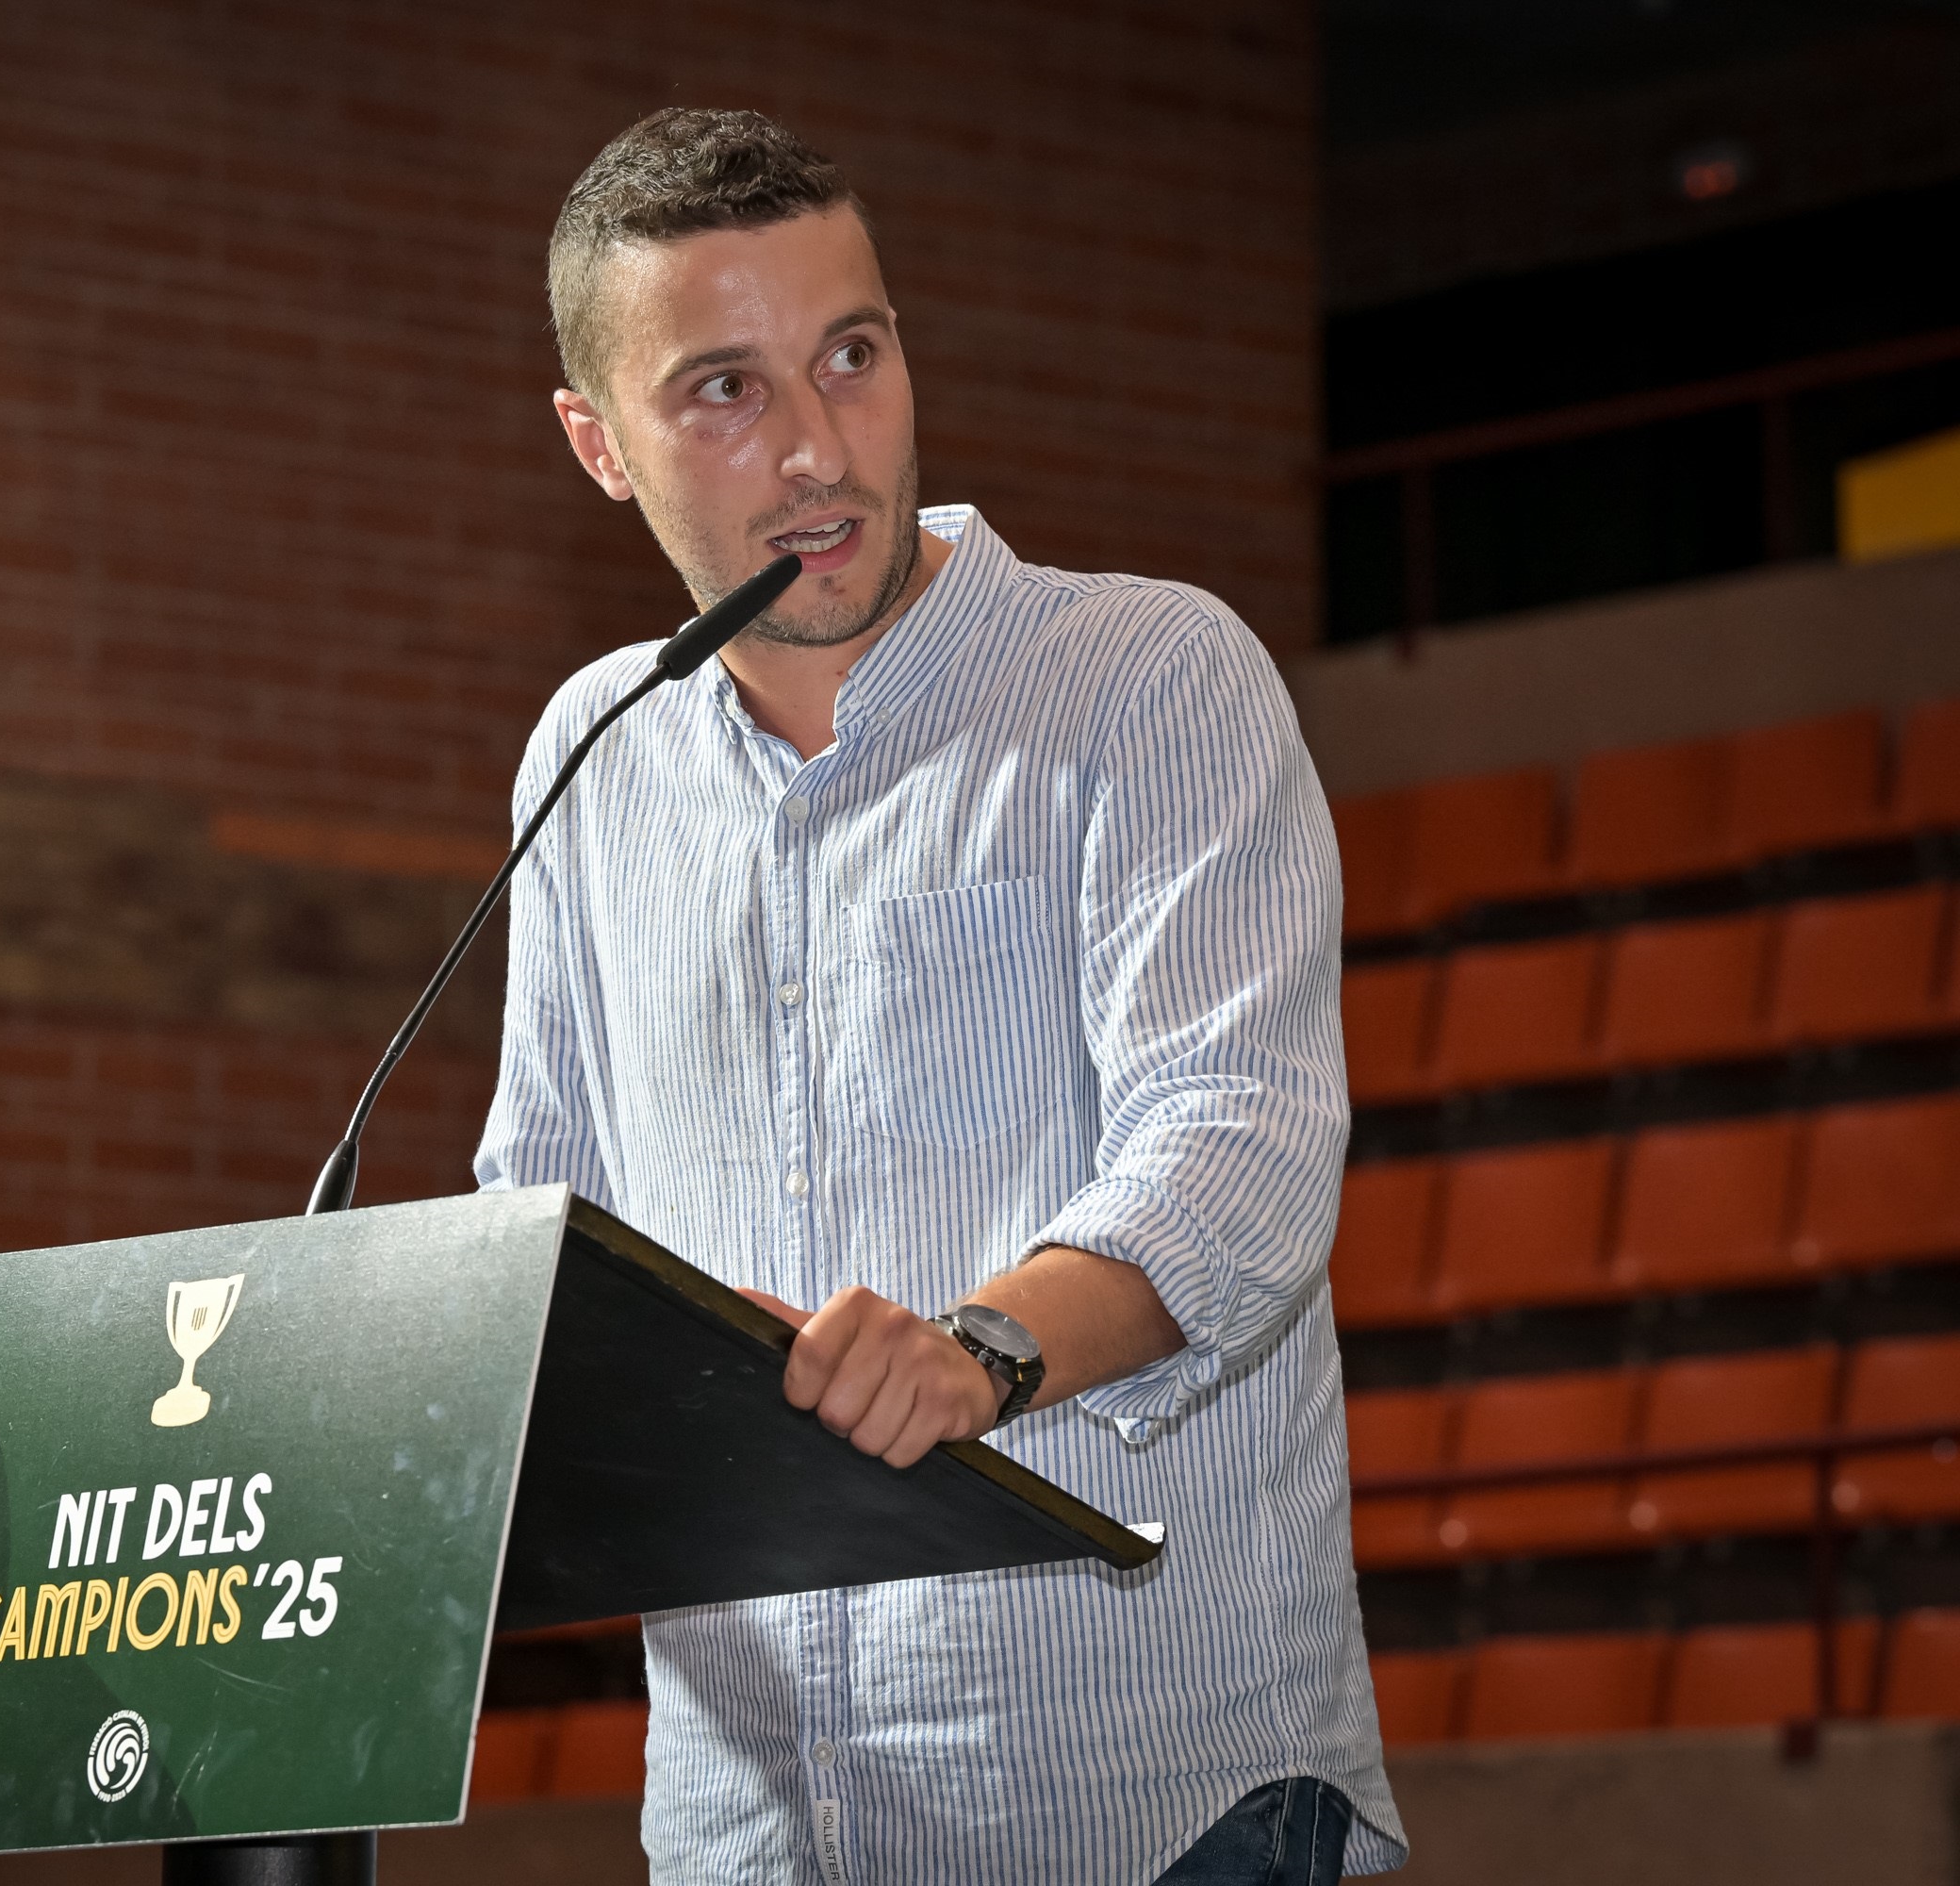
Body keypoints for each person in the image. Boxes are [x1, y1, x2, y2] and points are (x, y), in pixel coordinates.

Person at [471, 109, 1403, 1884]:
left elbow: (1241, 1148)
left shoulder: (1149, 679)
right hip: (749, 1822)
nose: (820, 451)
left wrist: (976, 1354)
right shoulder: (594, 759)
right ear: (598, 446)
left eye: (853, 355)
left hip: (1149, 1806)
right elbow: (543, 1212)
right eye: (725, 391)